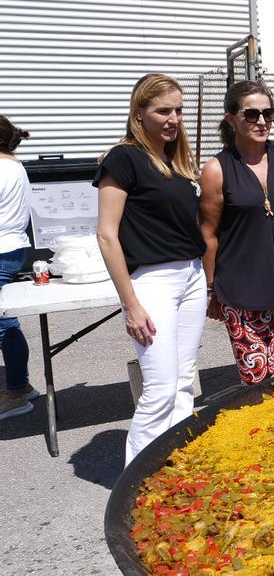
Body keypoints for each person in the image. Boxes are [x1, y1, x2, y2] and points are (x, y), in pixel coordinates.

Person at [94, 73, 206, 465]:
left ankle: (175, 468)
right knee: (159, 388)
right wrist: (131, 304)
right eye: (163, 110)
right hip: (153, 282)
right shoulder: (123, 159)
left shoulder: (175, 161)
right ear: (139, 112)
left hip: (192, 276)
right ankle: (136, 480)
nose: (173, 118)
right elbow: (107, 236)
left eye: (178, 110)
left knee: (183, 384)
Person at [199, 81, 274, 385]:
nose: (262, 121)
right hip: (242, 294)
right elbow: (209, 234)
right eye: (251, 114)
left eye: (269, 113)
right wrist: (212, 290)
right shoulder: (216, 169)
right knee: (258, 386)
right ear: (231, 119)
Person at [0, 117, 38, 420]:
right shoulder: (13, 164)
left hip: (2, 251)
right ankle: (20, 387)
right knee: (5, 322)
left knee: (4, 323)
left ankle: (16, 392)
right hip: (12, 247)